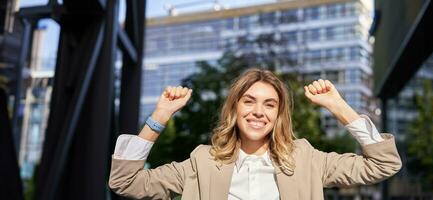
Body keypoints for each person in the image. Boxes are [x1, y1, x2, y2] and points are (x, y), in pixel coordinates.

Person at [109, 68, 401, 200]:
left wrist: (339, 107)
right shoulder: (202, 162)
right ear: (234, 108)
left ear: (278, 115)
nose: (259, 111)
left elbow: (384, 164)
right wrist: (160, 116)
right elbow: (125, 182)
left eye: (269, 104)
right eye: (249, 101)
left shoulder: (305, 159)